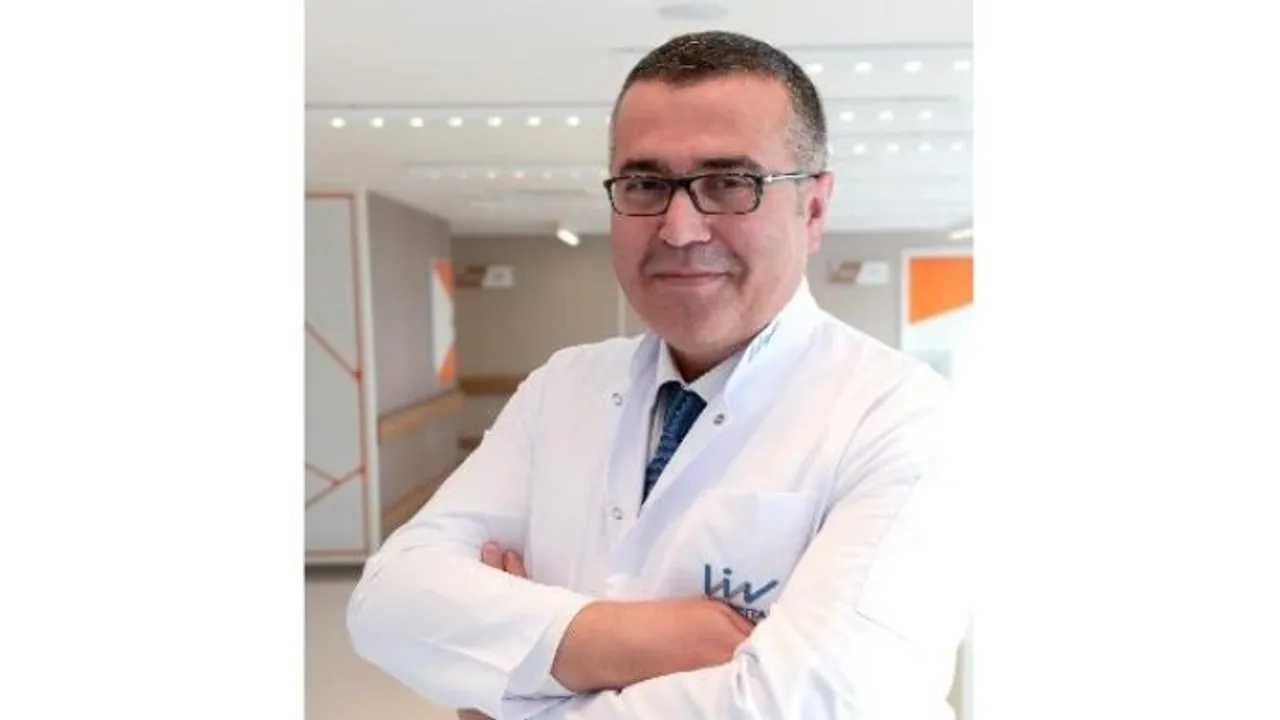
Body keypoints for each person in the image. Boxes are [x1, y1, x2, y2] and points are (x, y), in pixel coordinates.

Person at [347, 30, 972, 720]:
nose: (679, 228)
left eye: (729, 183)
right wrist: (635, 639)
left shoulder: (904, 415)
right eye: (645, 184)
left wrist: (514, 682)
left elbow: (824, 702)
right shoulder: (563, 387)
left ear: (814, 207)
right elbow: (386, 605)